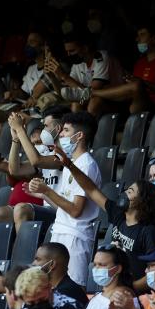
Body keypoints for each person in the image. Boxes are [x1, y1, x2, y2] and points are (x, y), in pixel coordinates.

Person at [55, 147, 155, 282]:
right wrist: (70, 165)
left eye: (130, 191)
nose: (124, 193)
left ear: (142, 202)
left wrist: (132, 288)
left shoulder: (148, 233)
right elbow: (91, 189)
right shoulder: (119, 215)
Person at [28, 112, 102, 285]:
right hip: (61, 231)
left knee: (72, 288)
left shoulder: (86, 165)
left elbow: (75, 210)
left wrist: (47, 190)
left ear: (79, 135)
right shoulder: (70, 163)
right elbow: (63, 206)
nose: (60, 134)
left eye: (66, 131)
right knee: (53, 287)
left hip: (76, 237)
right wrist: (43, 193)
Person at [32, 242, 89, 308]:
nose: (33, 263)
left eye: (38, 259)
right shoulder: (56, 288)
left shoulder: (67, 292)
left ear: (52, 264)